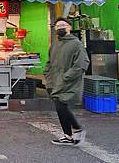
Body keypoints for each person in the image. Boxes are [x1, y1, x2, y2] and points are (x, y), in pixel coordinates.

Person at [44, 17, 89, 146]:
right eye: (57, 26)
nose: (60, 28)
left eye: (63, 25)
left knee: (61, 105)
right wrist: (47, 74)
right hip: (55, 81)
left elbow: (81, 64)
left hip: (69, 82)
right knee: (60, 107)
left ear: (69, 27)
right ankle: (68, 135)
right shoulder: (55, 44)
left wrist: (66, 77)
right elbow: (49, 62)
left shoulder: (76, 44)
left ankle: (76, 129)